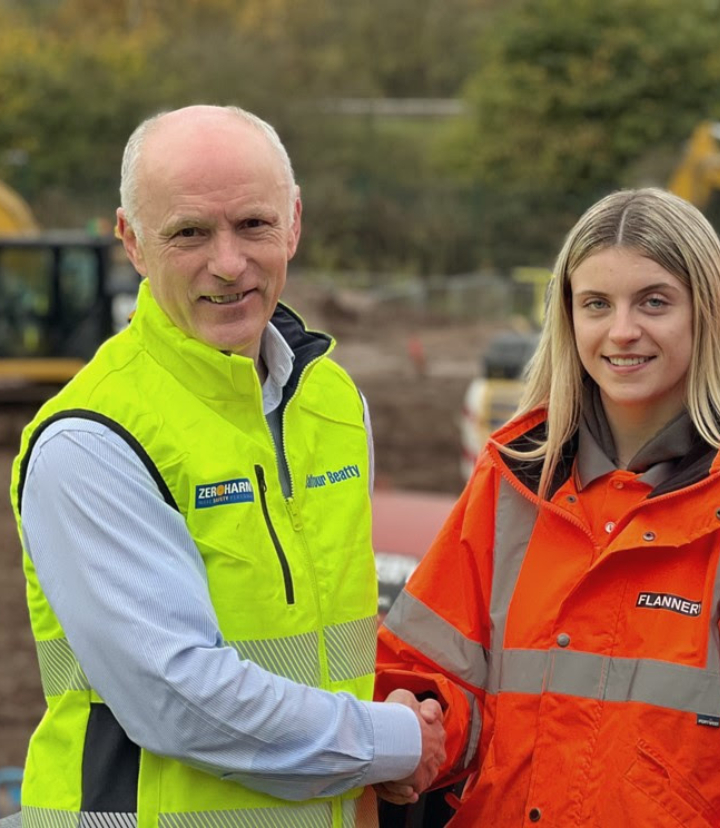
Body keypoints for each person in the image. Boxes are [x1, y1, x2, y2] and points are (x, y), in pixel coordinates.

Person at [375, 187, 720, 826]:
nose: (622, 331)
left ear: (707, 314)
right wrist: (421, 726)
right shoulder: (514, 482)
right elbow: (426, 673)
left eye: (654, 302)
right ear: (568, 317)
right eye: (597, 305)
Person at [9, 105, 445, 826]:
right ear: (132, 241)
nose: (229, 263)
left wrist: (387, 742)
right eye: (189, 233)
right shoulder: (92, 441)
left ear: (295, 224)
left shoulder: (333, 402)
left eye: (253, 225)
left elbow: (336, 643)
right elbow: (178, 699)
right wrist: (392, 742)